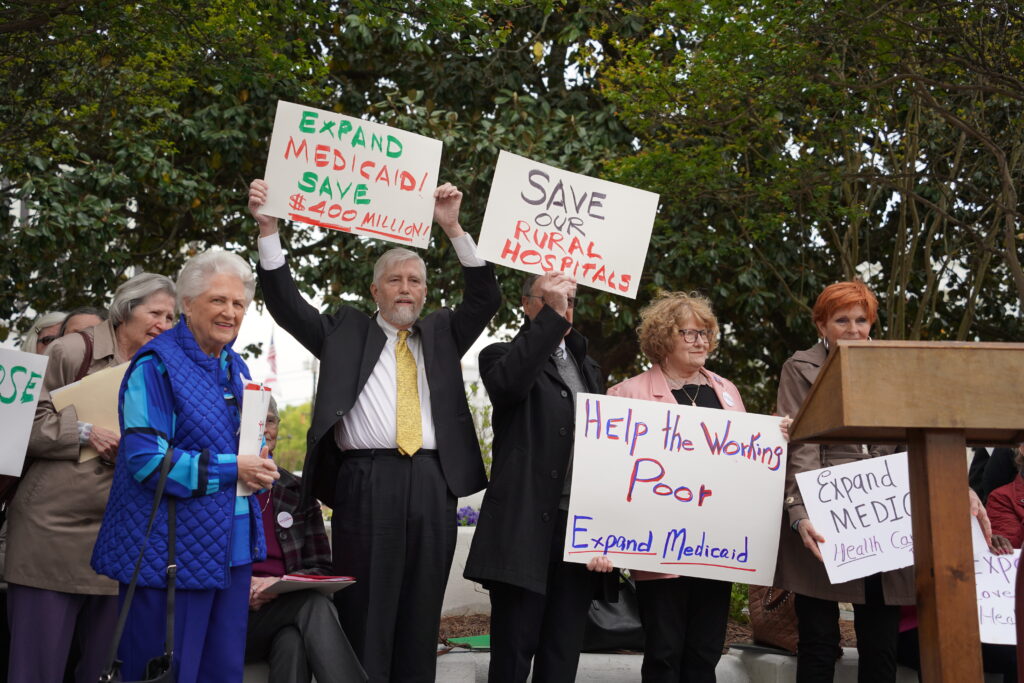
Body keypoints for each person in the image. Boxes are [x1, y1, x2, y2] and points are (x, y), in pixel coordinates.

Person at [248, 178, 501, 682]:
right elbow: (287, 304)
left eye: (414, 280)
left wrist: (451, 227)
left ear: (426, 290)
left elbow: (486, 296)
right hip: (365, 481)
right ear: (375, 290)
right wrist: (269, 229)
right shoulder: (346, 332)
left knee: (421, 610)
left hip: (434, 481)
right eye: (395, 280)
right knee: (365, 609)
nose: (405, 288)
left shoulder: (445, 333)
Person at [91, 251, 280, 682]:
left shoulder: (237, 366)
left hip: (230, 552)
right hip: (167, 555)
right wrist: (235, 468)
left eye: (238, 304)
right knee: (165, 672)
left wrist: (259, 461)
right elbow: (146, 461)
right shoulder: (155, 365)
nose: (229, 312)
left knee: (221, 672)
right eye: (217, 301)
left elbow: (237, 449)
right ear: (188, 305)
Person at [607, 291, 788, 683]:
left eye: (706, 333)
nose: (701, 341)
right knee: (664, 654)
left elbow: (744, 461)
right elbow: (611, 476)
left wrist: (775, 437)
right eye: (689, 333)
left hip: (715, 549)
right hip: (660, 550)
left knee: (704, 653)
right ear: (662, 338)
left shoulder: (727, 391)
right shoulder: (627, 394)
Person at [6, 273, 176, 683]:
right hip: (51, 532)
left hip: (120, 534)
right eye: (155, 312)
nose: (164, 324)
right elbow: (18, 425)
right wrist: (88, 433)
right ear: (125, 310)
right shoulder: (69, 350)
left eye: (172, 317)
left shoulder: (162, 368)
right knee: (37, 667)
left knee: (105, 669)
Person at [465, 272, 614, 683]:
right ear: (528, 305)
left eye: (570, 300)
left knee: (563, 650)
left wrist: (606, 528)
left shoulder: (589, 366)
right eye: (552, 299)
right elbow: (511, 386)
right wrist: (549, 319)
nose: (564, 307)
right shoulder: (499, 355)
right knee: (514, 650)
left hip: (576, 528)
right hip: (523, 528)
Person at [774, 281, 912, 683]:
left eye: (861, 320)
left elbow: (909, 439)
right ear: (821, 325)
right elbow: (800, 444)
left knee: (880, 643)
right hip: (826, 515)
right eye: (841, 320)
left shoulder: (894, 368)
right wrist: (799, 514)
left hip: (884, 516)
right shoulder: (800, 368)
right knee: (818, 641)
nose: (853, 330)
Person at [245, 398, 366, 683]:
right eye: (257, 421)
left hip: (281, 610)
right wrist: (243, 589)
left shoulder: (296, 491)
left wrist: (279, 585)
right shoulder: (218, 490)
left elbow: (321, 567)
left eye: (271, 420)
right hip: (228, 617)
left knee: (292, 641)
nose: (266, 429)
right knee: (311, 605)